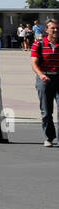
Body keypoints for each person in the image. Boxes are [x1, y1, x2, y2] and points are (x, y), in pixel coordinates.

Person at [30, 19, 59, 148]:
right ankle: (49, 137)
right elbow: (34, 63)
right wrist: (41, 75)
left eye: (57, 28)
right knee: (46, 111)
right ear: (46, 30)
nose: (56, 30)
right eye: (53, 28)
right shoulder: (38, 44)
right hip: (44, 79)